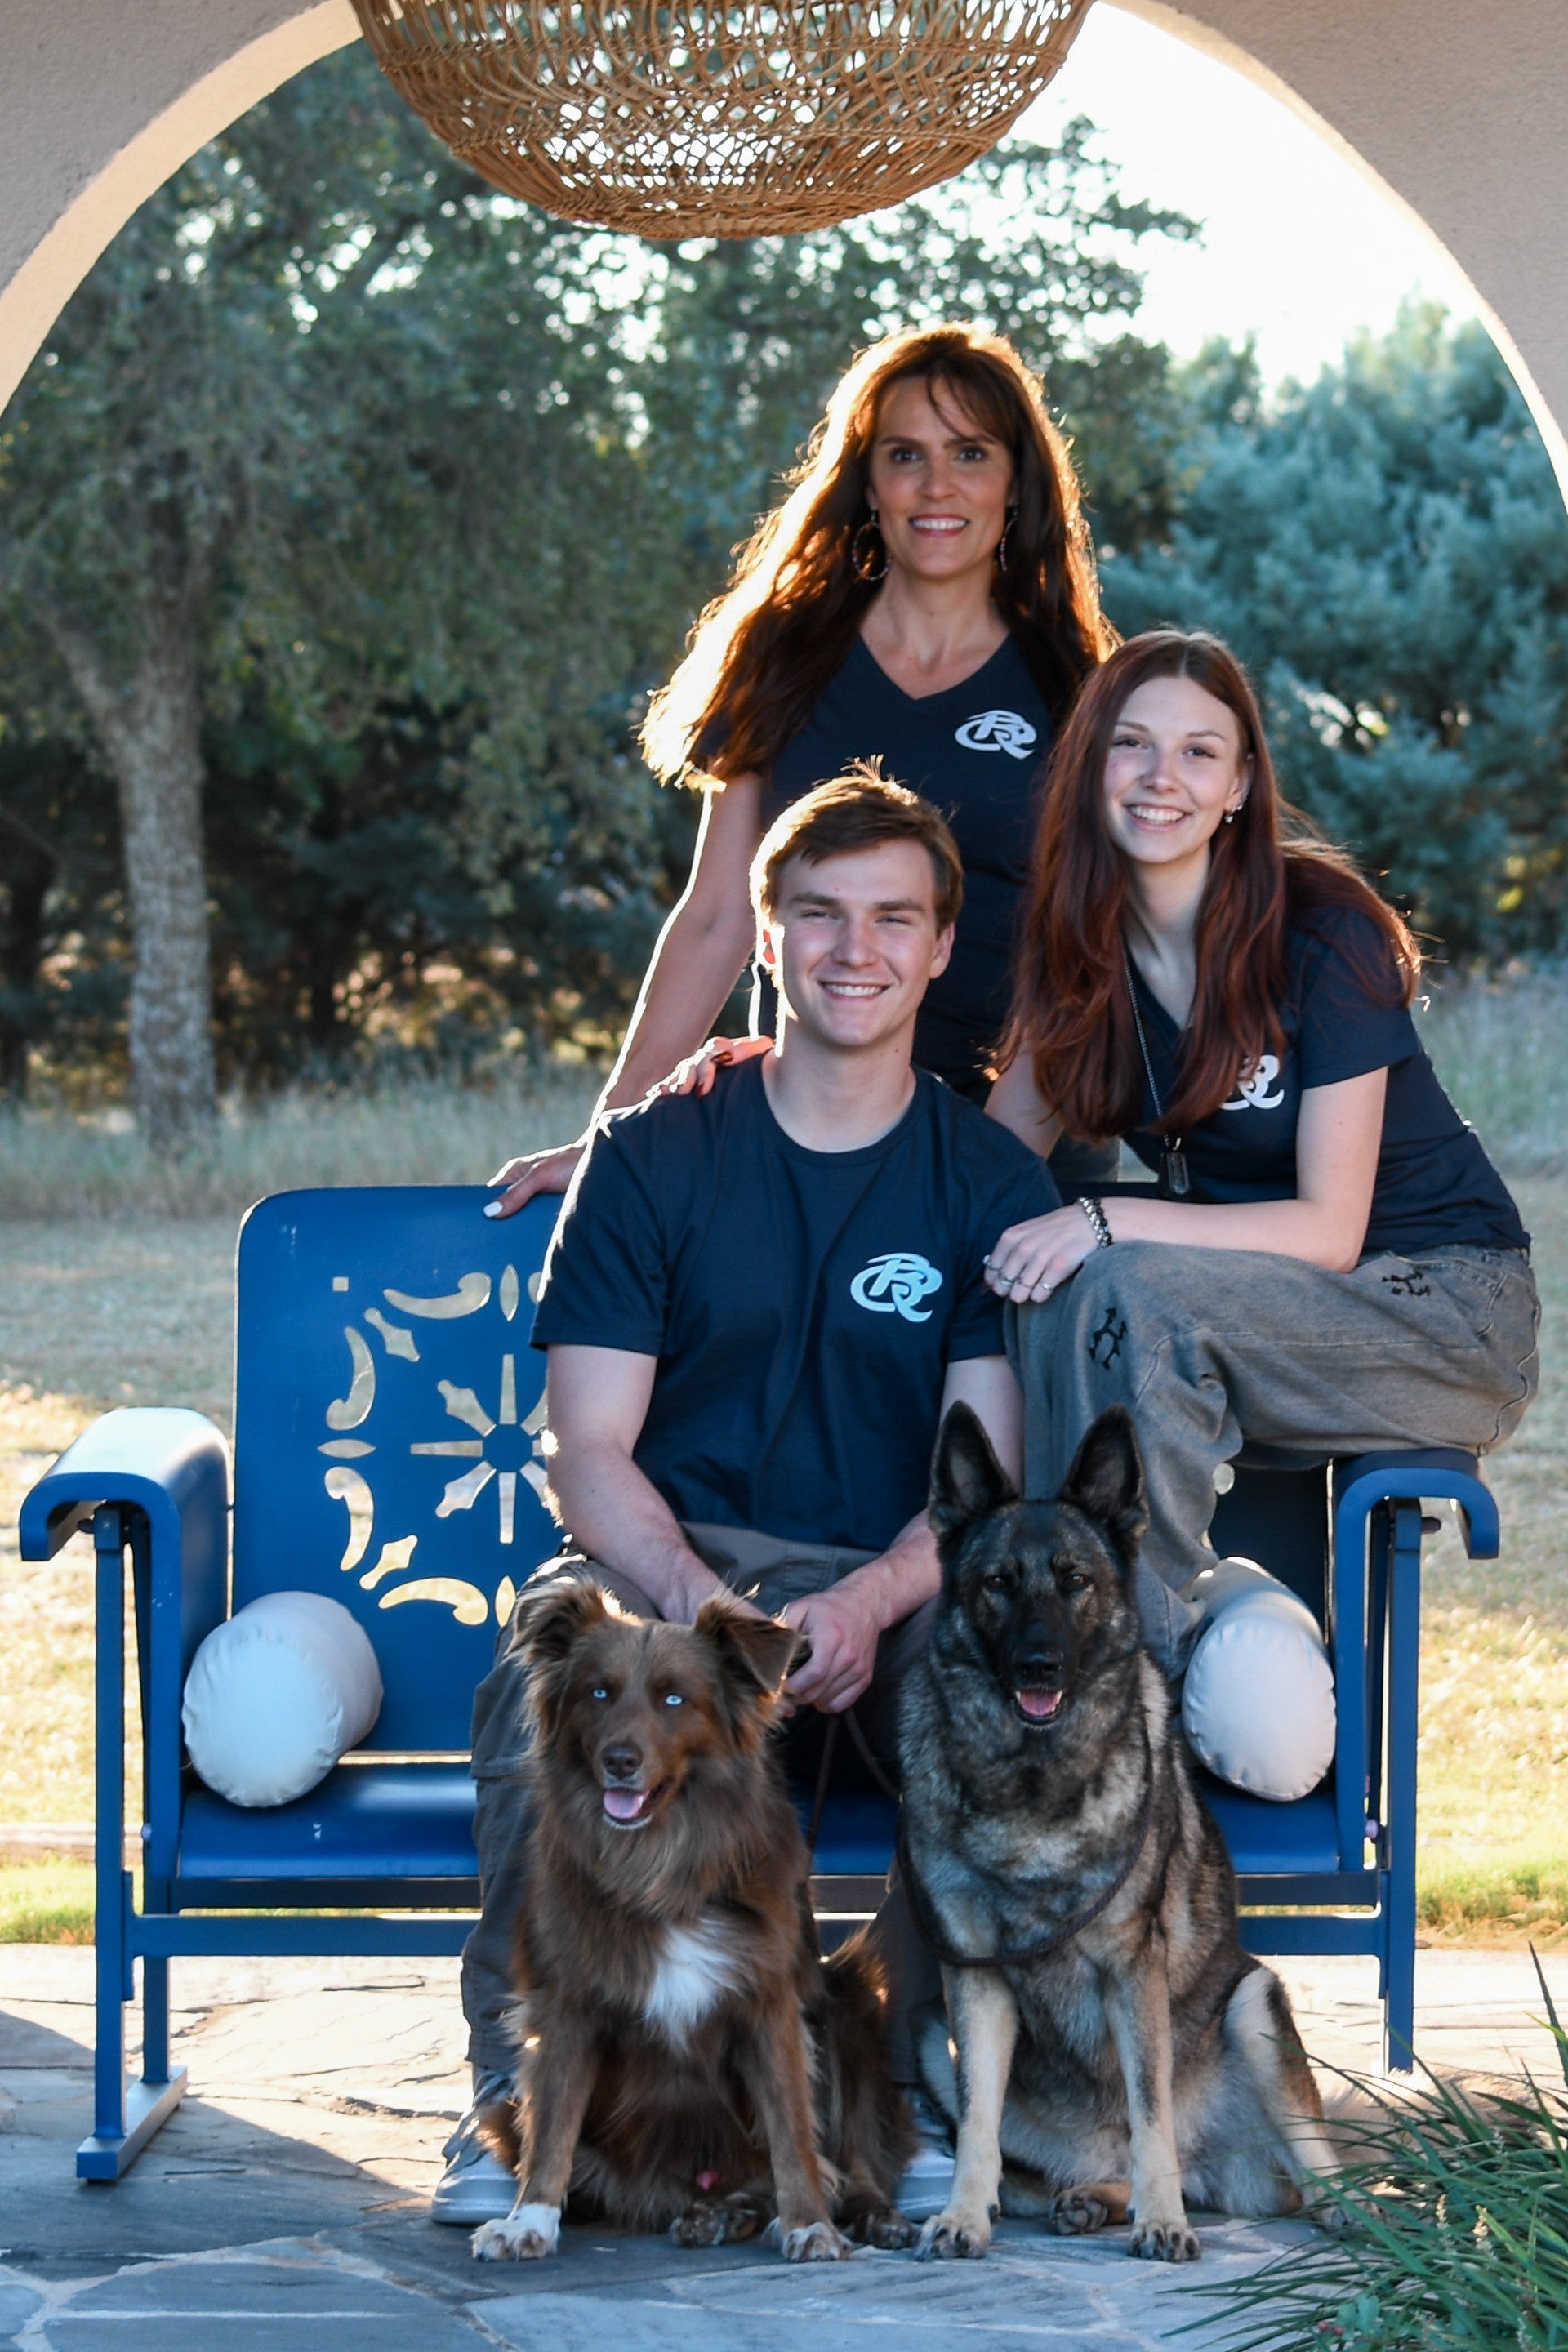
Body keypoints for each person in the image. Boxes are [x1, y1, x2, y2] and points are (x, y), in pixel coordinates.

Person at [434, 771, 1058, 2226]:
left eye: (894, 918)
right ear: (766, 935)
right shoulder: (656, 1154)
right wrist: (694, 1606)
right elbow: (589, 1450)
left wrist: (865, 1601)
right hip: (681, 1576)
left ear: (942, 949)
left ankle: (906, 2112)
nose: (858, 950)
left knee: (989, 1709)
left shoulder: (984, 1183)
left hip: (885, 1577)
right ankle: (509, 2115)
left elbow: (981, 1487)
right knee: (541, 1699)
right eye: (821, 915)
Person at [982, 629, 1539, 1667]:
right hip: (1263, 1311)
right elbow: (984, 1160)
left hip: (1445, 1306)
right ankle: (1046, 1627)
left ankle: (1135, 1669)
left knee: (1127, 1281)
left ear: (1240, 784)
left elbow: (1329, 1232)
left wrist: (1105, 1216)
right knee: (1047, 1289)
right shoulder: (1079, 952)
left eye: (1200, 752)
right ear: (1090, 764)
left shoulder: (1325, 933)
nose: (1162, 779)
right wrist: (792, 1073)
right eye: (1133, 745)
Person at [486, 323, 1118, 1223]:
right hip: (808, 1130)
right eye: (906, 455)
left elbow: (1087, 950)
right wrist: (610, 1136)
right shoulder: (784, 654)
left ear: (1016, 481)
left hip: (1016, 1145)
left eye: (970, 453)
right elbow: (716, 916)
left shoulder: (1077, 684)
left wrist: (989, 1173)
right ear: (868, 481)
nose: (938, 486)